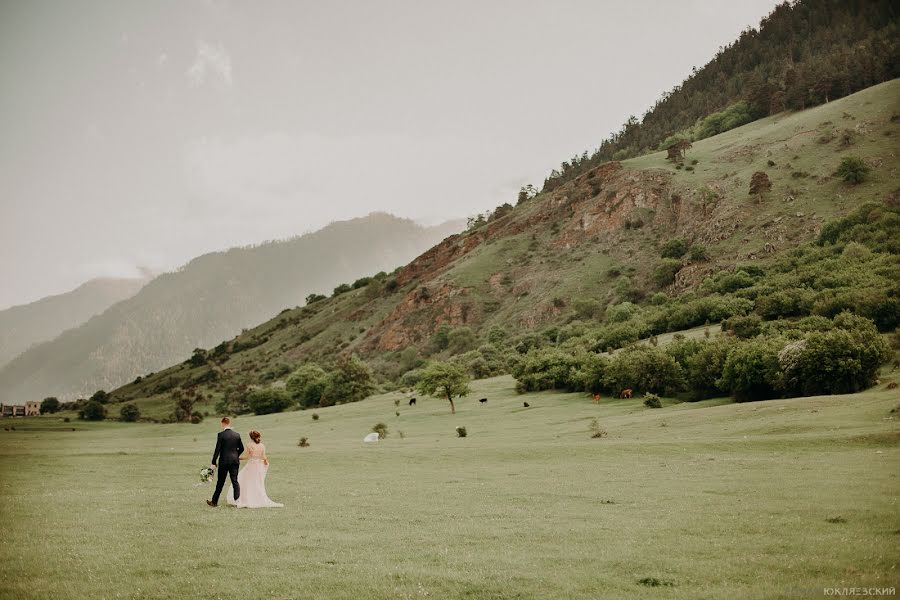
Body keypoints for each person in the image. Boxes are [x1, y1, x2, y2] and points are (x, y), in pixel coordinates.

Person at [226, 430, 283, 508]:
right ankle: (256, 498)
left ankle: (246, 499)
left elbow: (246, 456)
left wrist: (236, 458)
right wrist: (266, 461)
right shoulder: (262, 446)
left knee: (244, 481)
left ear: (251, 437)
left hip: (251, 466)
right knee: (257, 483)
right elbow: (263, 457)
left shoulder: (249, 445)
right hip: (258, 467)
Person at [207, 417, 243, 507]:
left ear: (222, 423)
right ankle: (238, 502)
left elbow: (217, 449)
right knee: (235, 480)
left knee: (220, 482)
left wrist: (213, 461)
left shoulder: (221, 435)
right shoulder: (237, 435)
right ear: (229, 423)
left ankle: (214, 502)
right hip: (235, 461)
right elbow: (242, 448)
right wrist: (235, 455)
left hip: (224, 461)